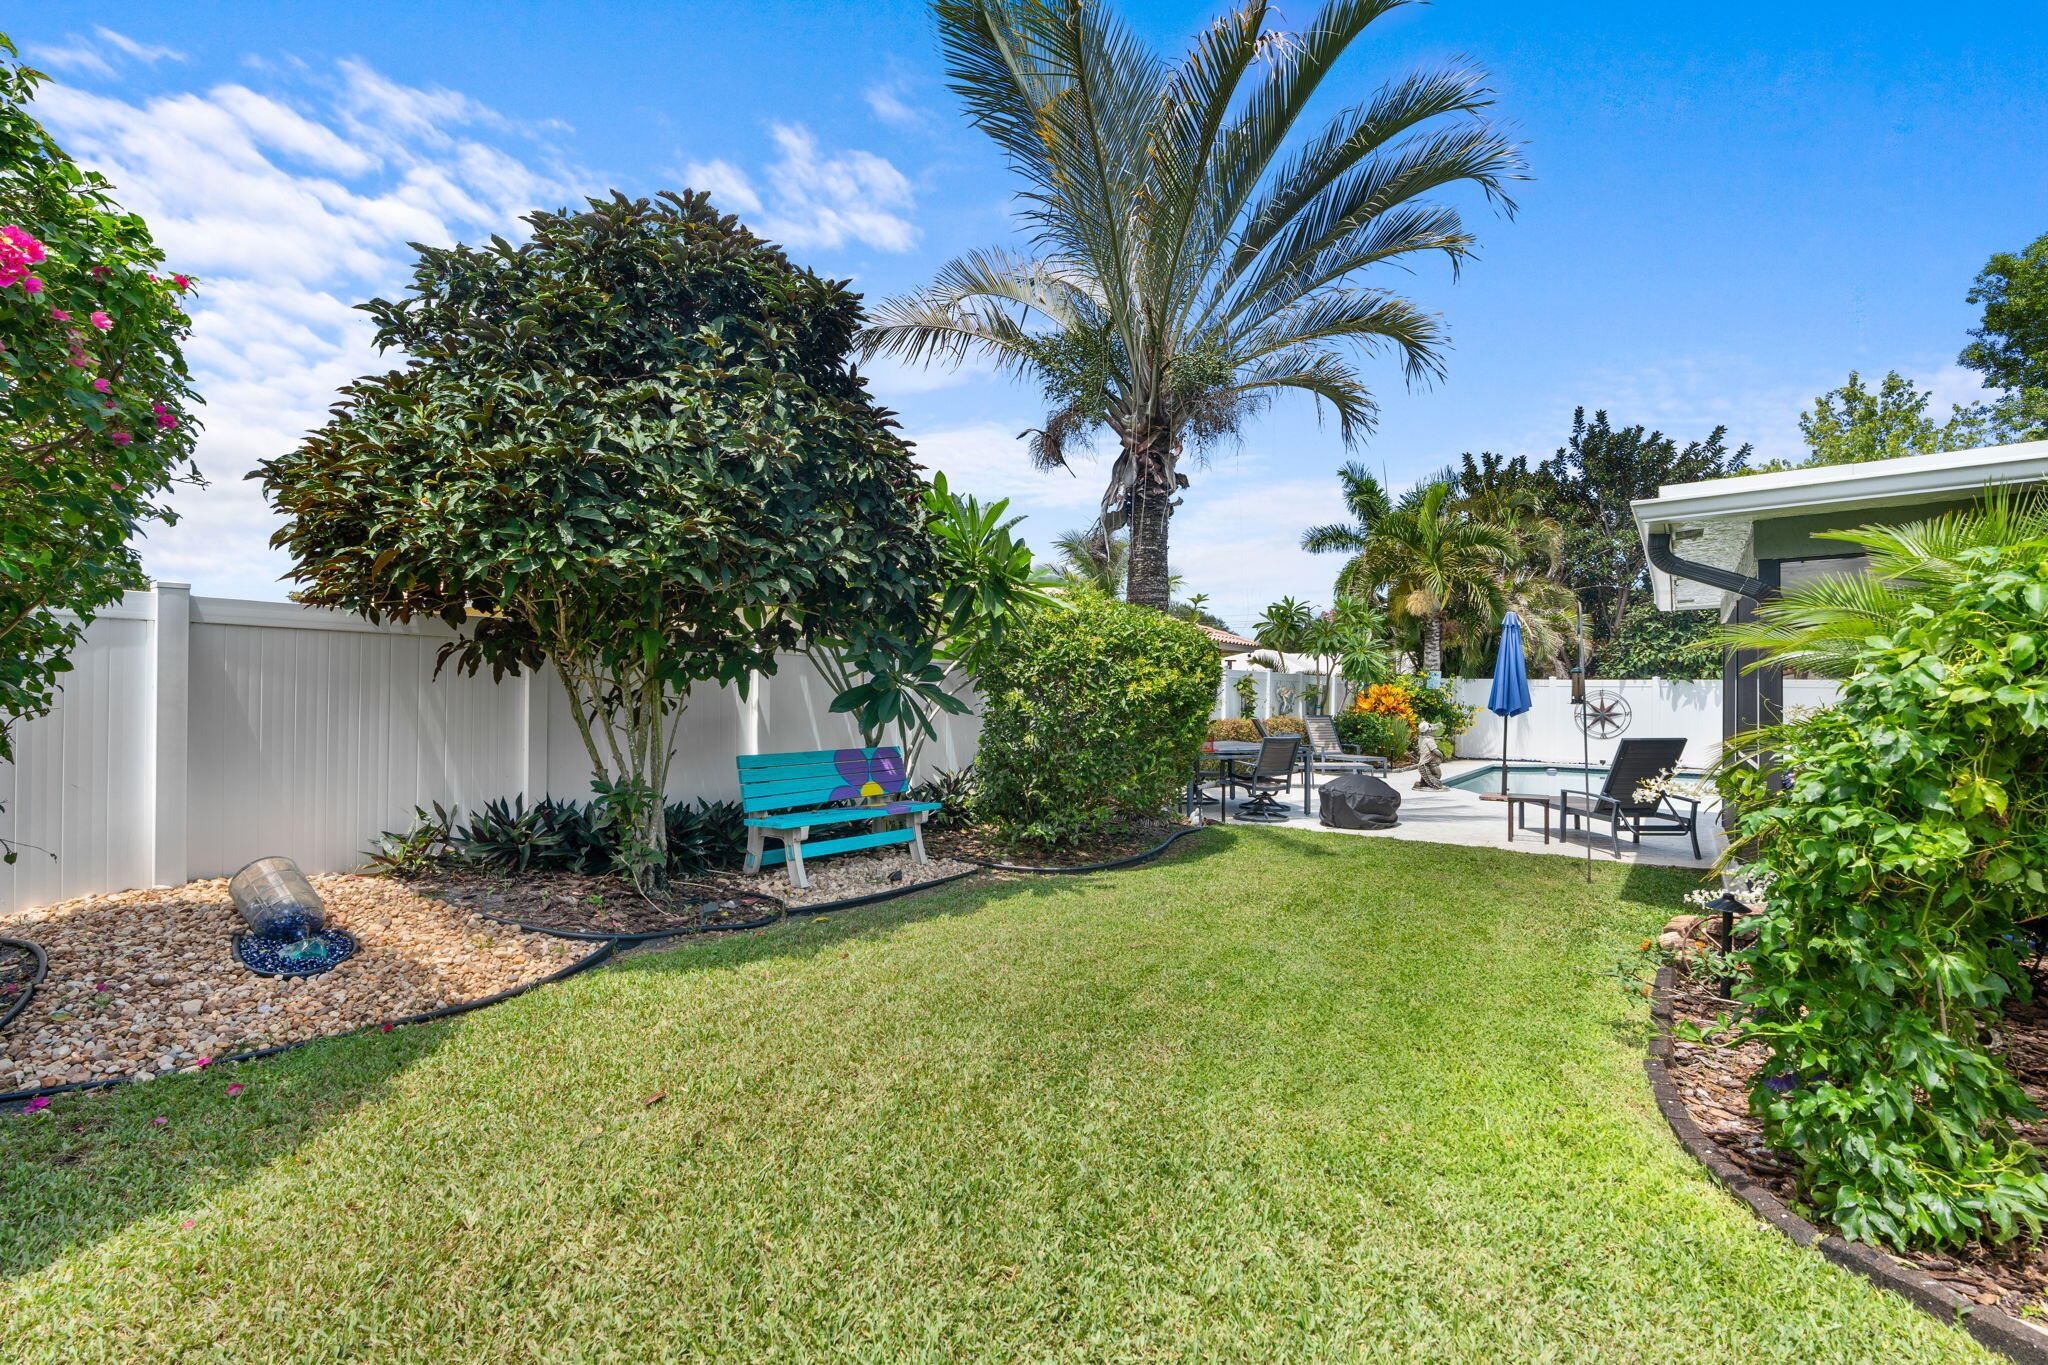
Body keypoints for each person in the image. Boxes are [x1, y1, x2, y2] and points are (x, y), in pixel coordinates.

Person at [1413, 720, 1447, 790]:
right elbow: (1435, 751)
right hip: (1424, 764)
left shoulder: (1421, 739)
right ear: (1428, 730)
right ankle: (1426, 784)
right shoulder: (1429, 740)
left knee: (1433, 775)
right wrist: (1441, 756)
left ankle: (1422, 783)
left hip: (1428, 762)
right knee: (1437, 782)